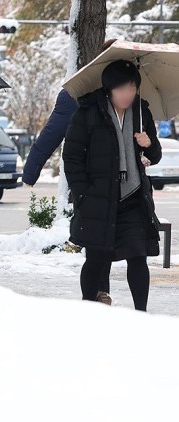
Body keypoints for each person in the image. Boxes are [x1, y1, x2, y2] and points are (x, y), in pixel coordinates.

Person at [63, 59, 162, 312]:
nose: (127, 94)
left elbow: (155, 155)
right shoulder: (89, 112)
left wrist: (147, 143)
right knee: (96, 257)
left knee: (138, 256)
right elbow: (72, 156)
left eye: (132, 88)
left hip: (133, 197)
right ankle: (89, 307)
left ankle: (142, 313)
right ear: (109, 88)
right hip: (99, 197)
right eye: (121, 88)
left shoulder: (141, 112)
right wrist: (83, 192)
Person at [24, 38, 117, 304]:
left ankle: (101, 291)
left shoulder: (128, 95)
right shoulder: (76, 93)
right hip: (89, 183)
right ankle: (98, 293)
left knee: (108, 242)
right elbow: (51, 134)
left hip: (119, 184)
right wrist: (31, 173)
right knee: (98, 242)